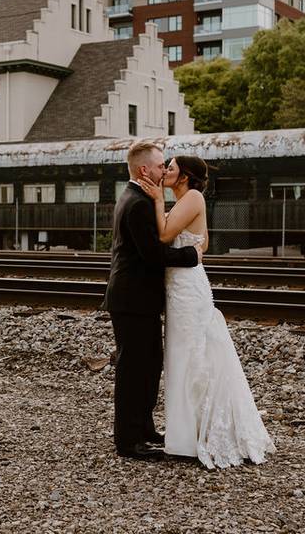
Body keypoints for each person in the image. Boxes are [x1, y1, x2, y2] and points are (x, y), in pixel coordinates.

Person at [137, 155, 275, 469]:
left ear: (184, 176)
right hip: (182, 286)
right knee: (182, 354)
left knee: (190, 354)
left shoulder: (192, 197)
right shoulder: (187, 201)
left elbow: (163, 235)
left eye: (169, 169)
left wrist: (157, 200)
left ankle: (198, 432)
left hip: (187, 289)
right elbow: (205, 242)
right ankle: (185, 433)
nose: (164, 173)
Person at [102, 142, 202, 460]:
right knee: (133, 369)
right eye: (161, 165)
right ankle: (128, 441)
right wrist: (191, 255)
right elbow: (153, 255)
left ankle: (143, 428)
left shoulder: (138, 197)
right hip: (132, 300)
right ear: (145, 169)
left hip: (136, 299)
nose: (163, 170)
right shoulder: (139, 203)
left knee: (148, 366)